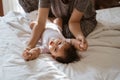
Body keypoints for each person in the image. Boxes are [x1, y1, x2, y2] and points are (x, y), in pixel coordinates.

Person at [19, 0, 97, 60]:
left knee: (66, 33)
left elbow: (74, 22)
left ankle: (52, 21)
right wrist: (28, 48)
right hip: (61, 18)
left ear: (53, 56)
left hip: (83, 20)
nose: (55, 44)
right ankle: (52, 21)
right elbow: (40, 23)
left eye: (56, 49)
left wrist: (79, 36)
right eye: (59, 43)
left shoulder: (47, 47)